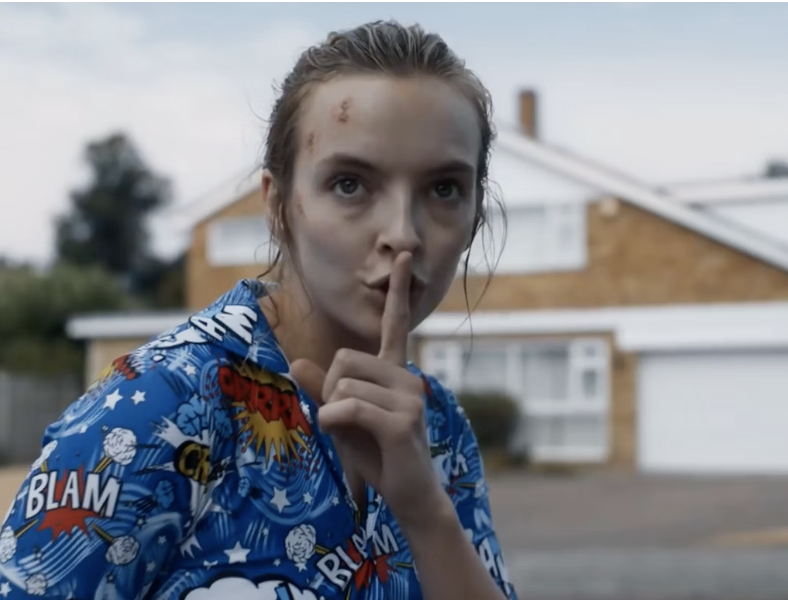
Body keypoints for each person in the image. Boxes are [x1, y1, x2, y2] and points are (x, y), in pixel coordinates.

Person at [0, 20, 517, 600]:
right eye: (351, 184)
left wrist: (425, 512)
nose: (403, 234)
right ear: (277, 205)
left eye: (444, 189)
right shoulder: (161, 409)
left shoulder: (437, 427)